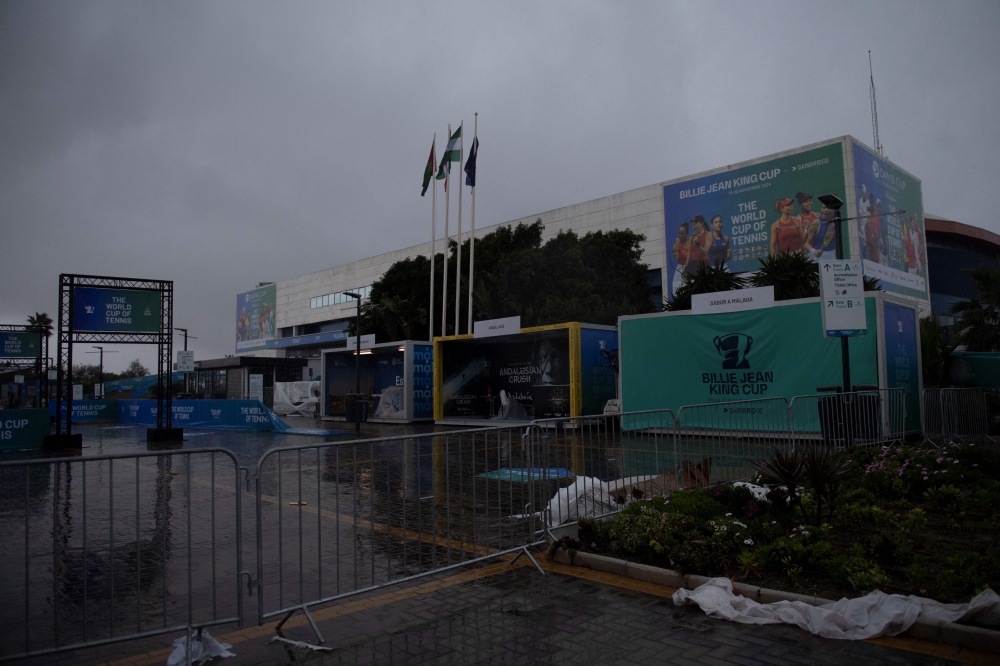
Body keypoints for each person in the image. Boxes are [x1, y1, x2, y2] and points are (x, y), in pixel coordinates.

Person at [796, 193, 821, 257]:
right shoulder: (797, 219)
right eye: (806, 202)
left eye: (810, 201)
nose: (809, 203)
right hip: (805, 253)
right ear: (800, 205)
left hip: (818, 251)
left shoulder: (818, 215)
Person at [671, 221, 690, 297]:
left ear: (686, 233)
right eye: (679, 233)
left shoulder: (690, 243)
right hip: (680, 268)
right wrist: (677, 247)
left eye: (682, 234)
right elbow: (677, 258)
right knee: (677, 291)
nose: (680, 236)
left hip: (690, 267)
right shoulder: (676, 245)